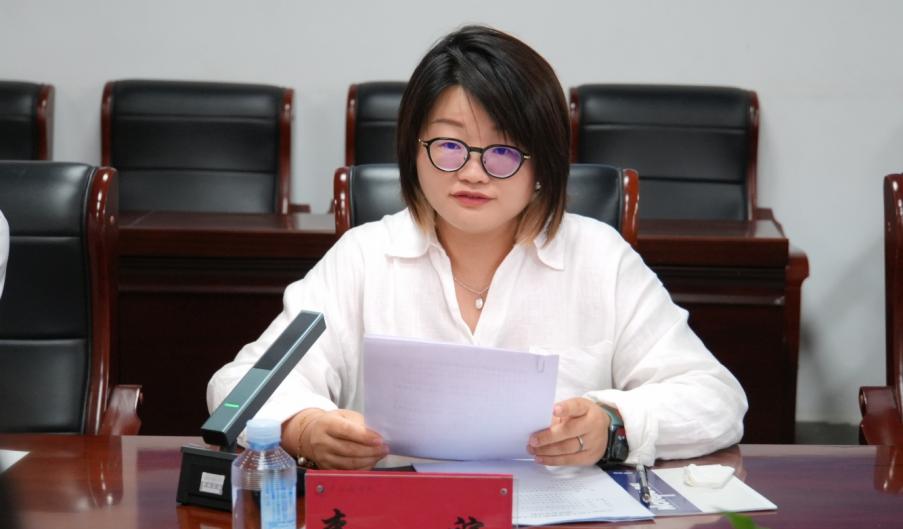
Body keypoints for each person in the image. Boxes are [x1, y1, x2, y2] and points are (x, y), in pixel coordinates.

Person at [207, 25, 747, 470]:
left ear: (543, 164)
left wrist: (612, 425)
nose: (472, 172)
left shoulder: (599, 258)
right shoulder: (364, 257)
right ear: (413, 151)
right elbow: (238, 388)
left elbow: (715, 398)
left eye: (503, 151)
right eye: (449, 145)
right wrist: (303, 427)